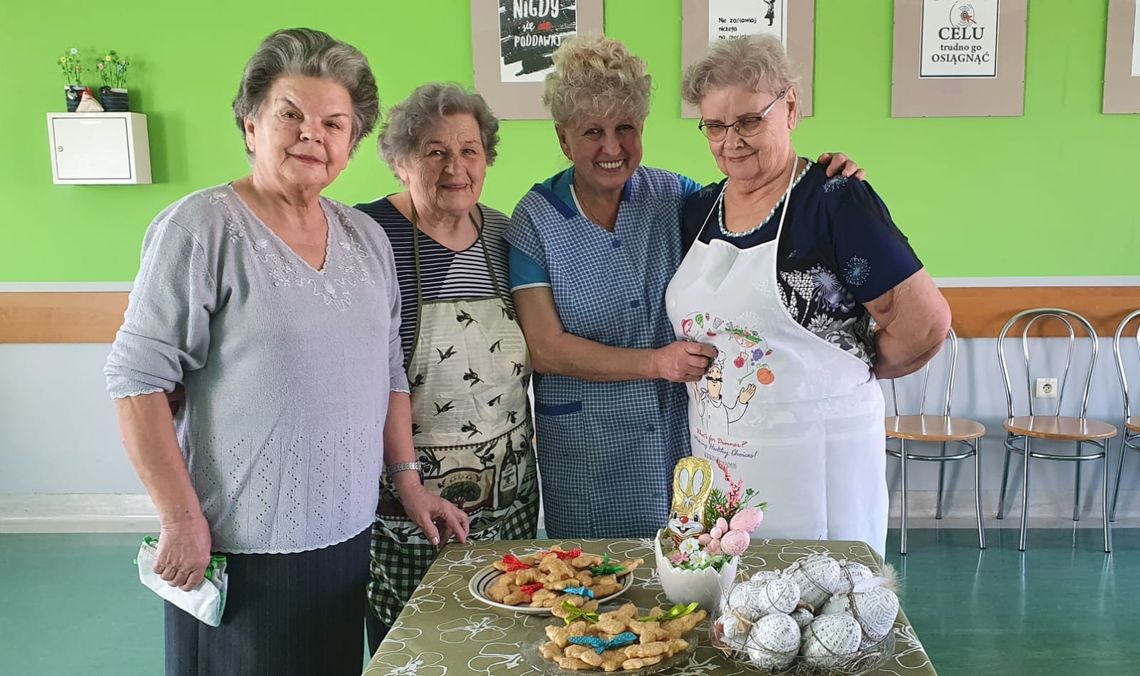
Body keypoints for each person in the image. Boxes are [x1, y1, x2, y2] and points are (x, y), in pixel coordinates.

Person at [104, 28, 466, 675]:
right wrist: (181, 518)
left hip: (347, 539)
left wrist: (409, 485)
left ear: (351, 145)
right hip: (240, 548)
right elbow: (136, 379)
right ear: (250, 125)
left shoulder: (364, 239)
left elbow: (387, 373)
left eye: (334, 122)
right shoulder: (202, 227)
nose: (312, 134)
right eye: (289, 114)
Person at [505, 35, 864, 539]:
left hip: (680, 442)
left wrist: (822, 180)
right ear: (565, 140)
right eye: (592, 132)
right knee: (593, 591)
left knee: (689, 579)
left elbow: (756, 194)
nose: (612, 147)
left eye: (625, 127)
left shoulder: (677, 197)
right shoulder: (534, 220)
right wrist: (657, 363)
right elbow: (545, 349)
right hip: (588, 450)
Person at [668, 35, 951, 556]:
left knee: (817, 614)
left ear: (790, 107)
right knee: (731, 612)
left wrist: (839, 372)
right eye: (714, 125)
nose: (731, 140)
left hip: (817, 469)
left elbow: (925, 324)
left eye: (750, 121)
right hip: (720, 466)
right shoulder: (698, 209)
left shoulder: (835, 200)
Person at [355, 83, 538, 654]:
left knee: (504, 636)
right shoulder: (366, 235)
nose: (455, 167)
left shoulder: (508, 234)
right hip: (404, 497)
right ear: (401, 159)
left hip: (509, 491)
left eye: (470, 151)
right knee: (415, 644)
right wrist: (408, 484)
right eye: (435, 151)